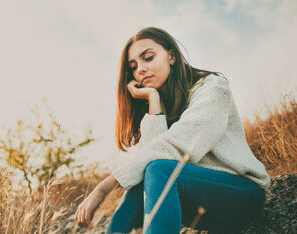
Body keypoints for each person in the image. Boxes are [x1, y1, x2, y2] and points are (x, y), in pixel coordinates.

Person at [74, 27, 270, 234]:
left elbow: (180, 145)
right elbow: (149, 163)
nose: (140, 69)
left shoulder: (214, 89)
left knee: (160, 169)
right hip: (203, 203)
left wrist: (103, 187)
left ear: (172, 56)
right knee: (148, 175)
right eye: (133, 67)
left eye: (148, 57)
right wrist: (153, 100)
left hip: (242, 195)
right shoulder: (163, 105)